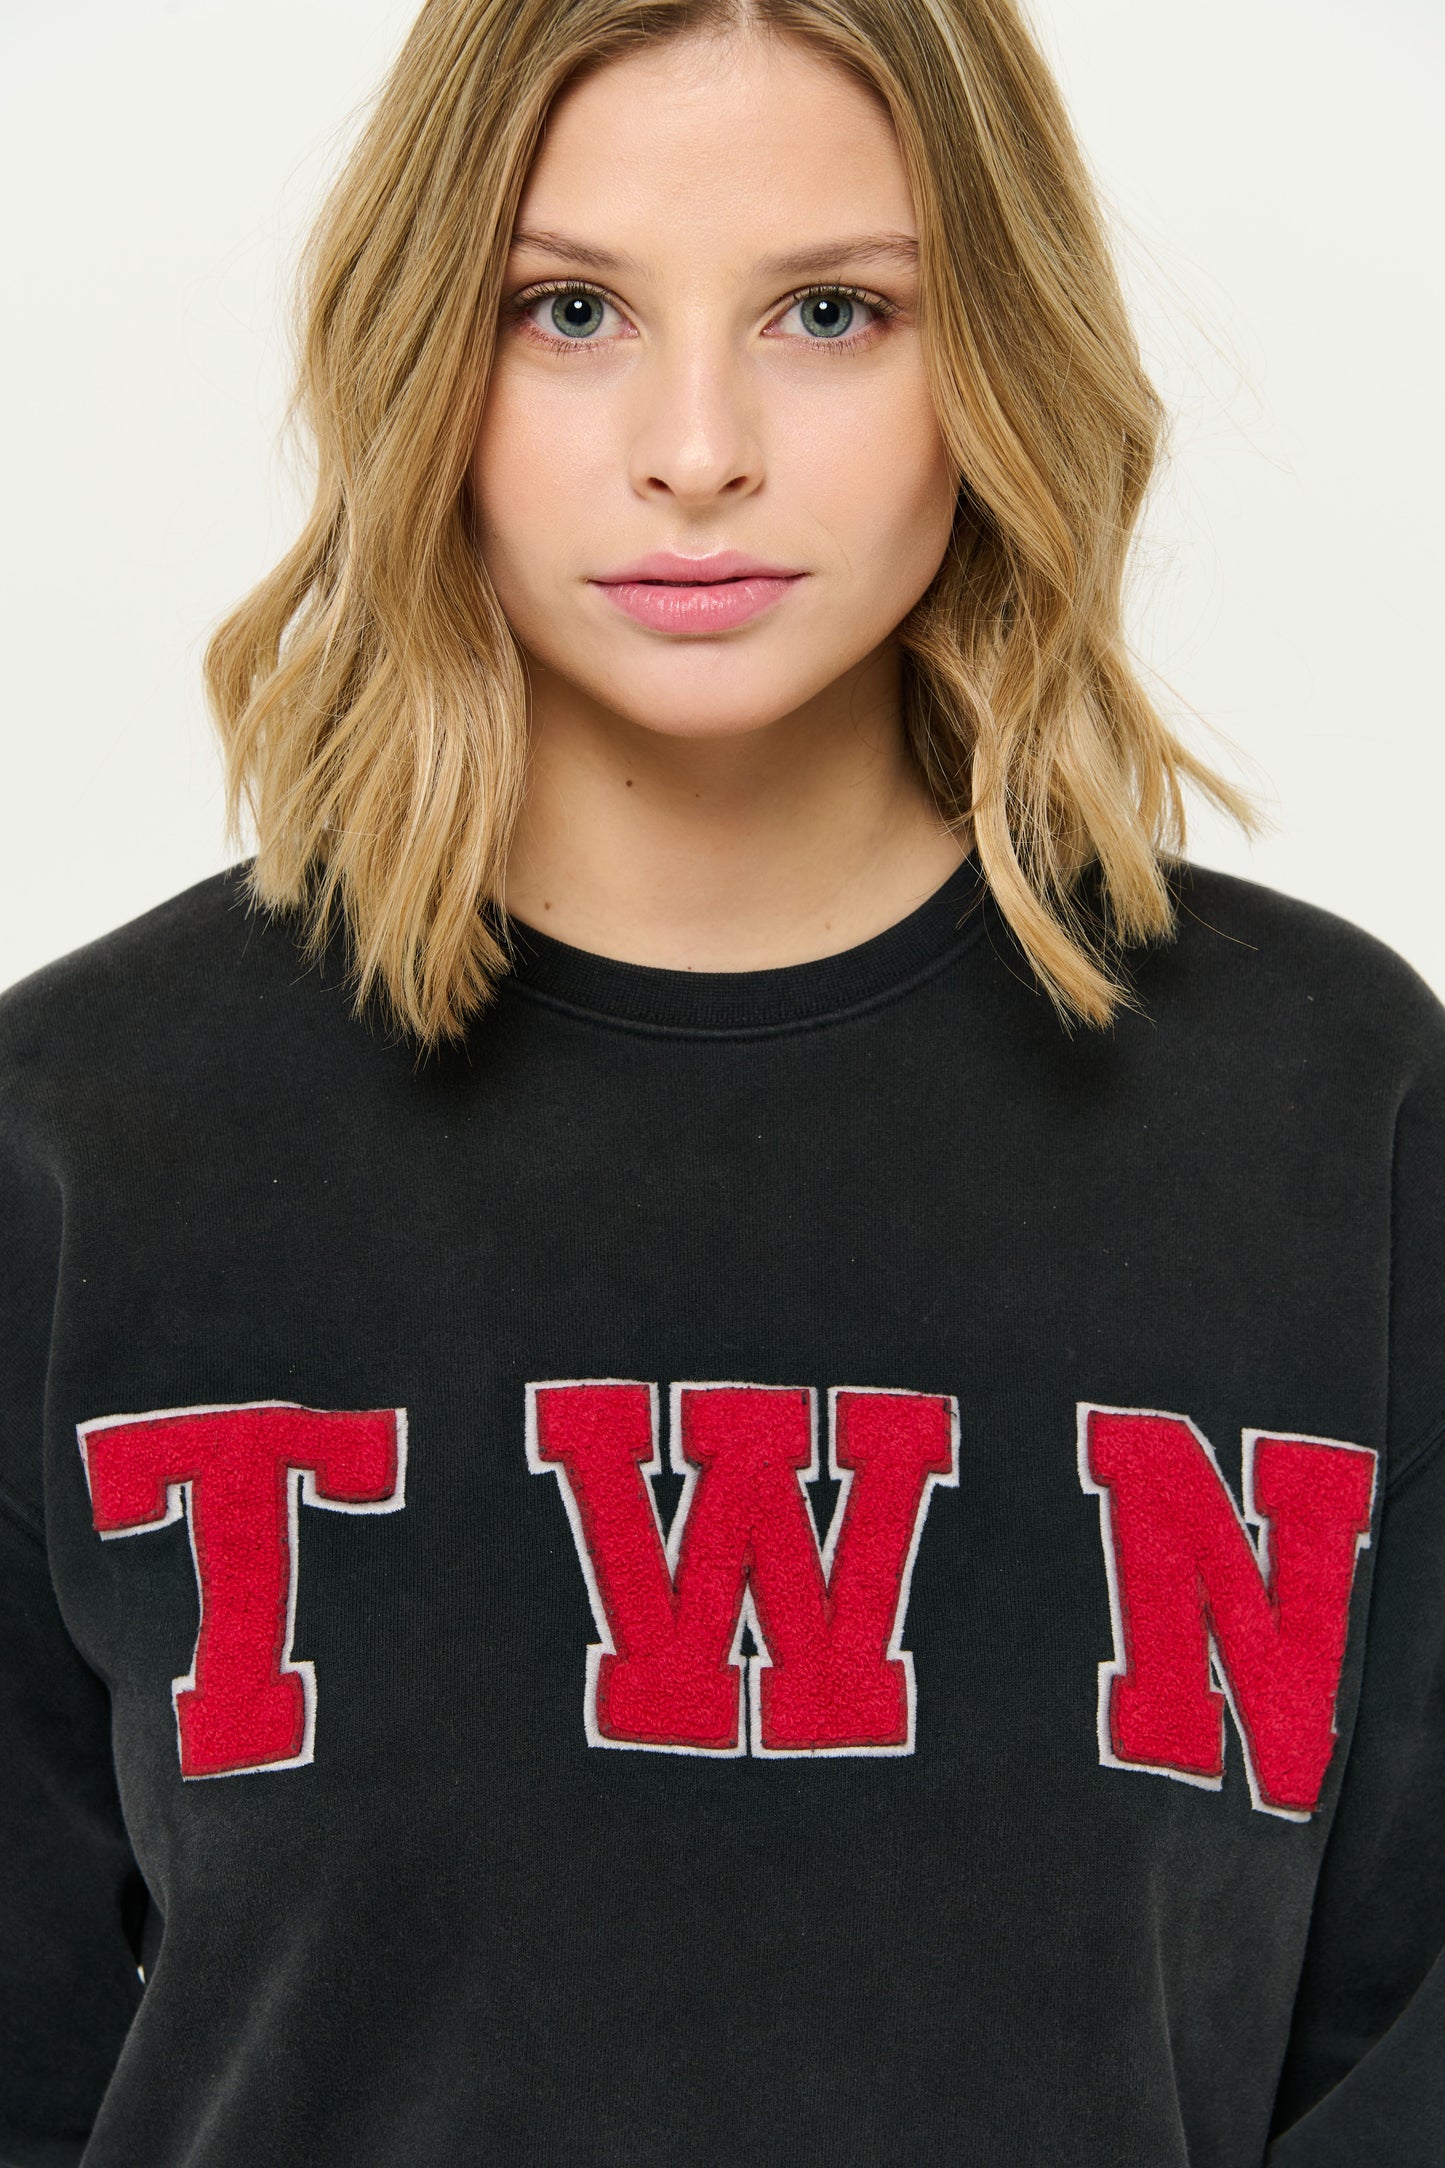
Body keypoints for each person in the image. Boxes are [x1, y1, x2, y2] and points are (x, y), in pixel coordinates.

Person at [1, 1, 1441, 2161]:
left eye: (831, 313)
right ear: (423, 354)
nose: (697, 449)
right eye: (569, 311)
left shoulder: (1334, 1115)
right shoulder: (86, 1136)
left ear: (998, 356)